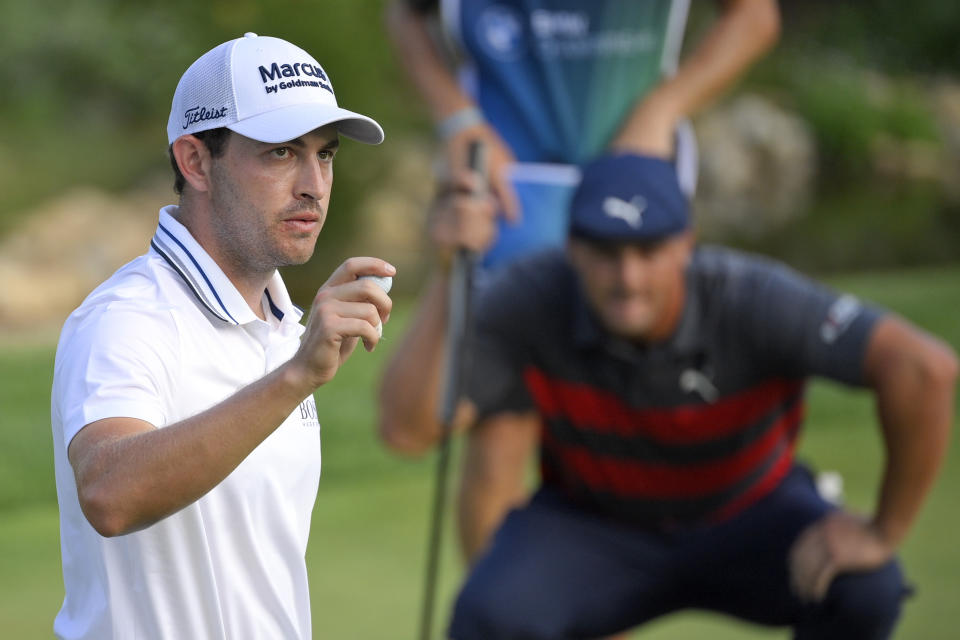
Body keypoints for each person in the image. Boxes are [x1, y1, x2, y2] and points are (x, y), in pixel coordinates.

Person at [378, 153, 958, 639]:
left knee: (866, 589)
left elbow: (924, 369)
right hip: (594, 528)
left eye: (648, 250)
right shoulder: (533, 294)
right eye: (606, 252)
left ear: (687, 244)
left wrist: (882, 530)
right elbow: (409, 429)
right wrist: (448, 270)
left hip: (749, 515)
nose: (627, 277)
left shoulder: (750, 296)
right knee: (490, 615)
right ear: (573, 247)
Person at [386, 0, 781, 563]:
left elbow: (753, 16)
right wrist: (458, 119)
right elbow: (406, 14)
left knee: (613, 439)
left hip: (634, 182)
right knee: (498, 434)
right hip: (509, 189)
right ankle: (507, 618)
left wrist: (664, 107)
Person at [50, 33, 393, 639]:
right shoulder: (127, 316)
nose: (314, 183)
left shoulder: (283, 325)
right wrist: (295, 379)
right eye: (283, 152)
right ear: (195, 162)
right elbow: (108, 492)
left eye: (327, 154)